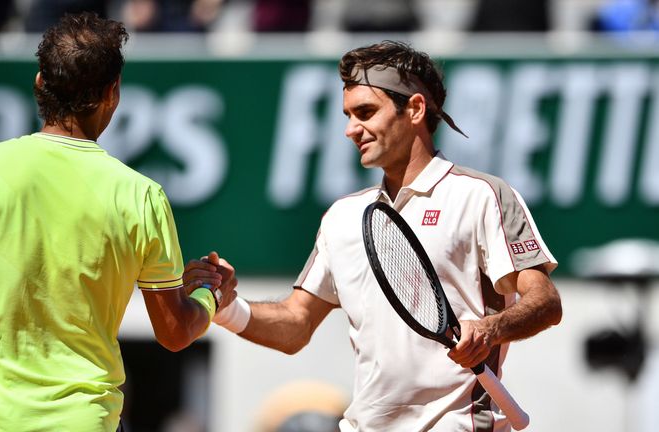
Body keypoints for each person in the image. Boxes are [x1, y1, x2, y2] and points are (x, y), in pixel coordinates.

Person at [189, 40, 563, 431]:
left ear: (415, 109)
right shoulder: (342, 216)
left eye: (365, 112)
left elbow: (545, 301)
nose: (351, 130)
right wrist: (224, 306)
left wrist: (490, 329)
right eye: (348, 115)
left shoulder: (482, 195)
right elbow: (295, 324)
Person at [0, 12, 234, 432]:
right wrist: (209, 295)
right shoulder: (141, 195)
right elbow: (173, 331)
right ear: (113, 93)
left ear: (41, 82)